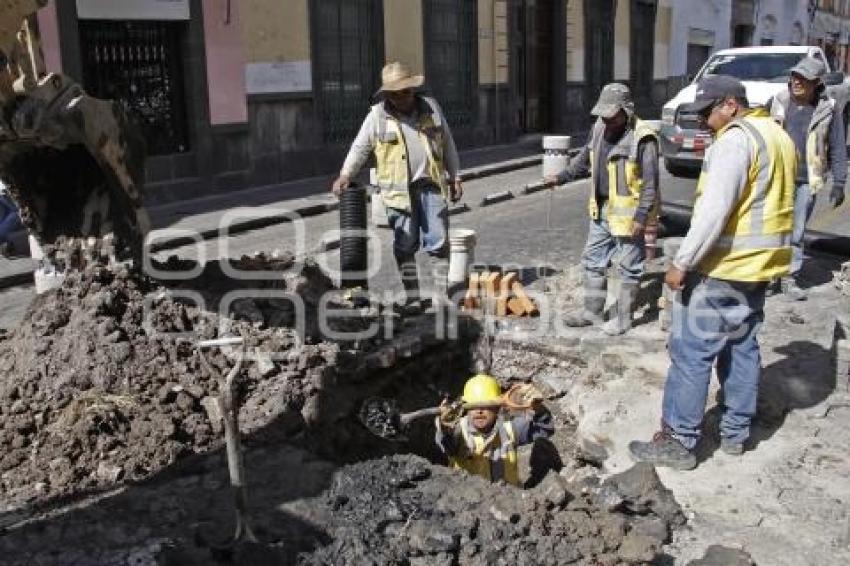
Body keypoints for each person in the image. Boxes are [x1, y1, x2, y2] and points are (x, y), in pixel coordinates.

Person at [629, 75, 797, 470]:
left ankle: (680, 440)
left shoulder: (735, 142)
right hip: (760, 267)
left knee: (691, 354)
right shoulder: (776, 135)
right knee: (742, 346)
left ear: (730, 104)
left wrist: (681, 262)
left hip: (724, 267)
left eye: (708, 112)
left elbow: (713, 212)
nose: (704, 121)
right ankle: (736, 432)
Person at [332, 62, 463, 313]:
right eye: (396, 93)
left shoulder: (431, 109)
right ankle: (412, 296)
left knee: (438, 241)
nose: (403, 97)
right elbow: (360, 147)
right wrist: (345, 174)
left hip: (431, 185)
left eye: (406, 91)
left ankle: (441, 296)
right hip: (398, 193)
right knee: (405, 245)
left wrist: (455, 176)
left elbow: (447, 143)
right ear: (388, 94)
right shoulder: (377, 117)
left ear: (413, 89)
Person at [545, 83, 660, 335]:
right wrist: (561, 176)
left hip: (630, 216)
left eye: (611, 115)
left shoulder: (643, 138)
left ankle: (623, 318)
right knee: (592, 261)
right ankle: (591, 312)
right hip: (601, 209)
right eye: (603, 115)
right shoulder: (598, 127)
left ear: (626, 111)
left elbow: (651, 184)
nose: (606, 120)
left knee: (629, 266)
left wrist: (642, 217)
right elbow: (584, 158)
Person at [768, 56, 846, 300]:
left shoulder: (828, 108)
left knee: (797, 230)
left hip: (807, 179)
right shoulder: (778, 102)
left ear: (816, 83)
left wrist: (839, 182)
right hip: (777, 176)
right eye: (794, 77)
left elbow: (837, 146)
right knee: (771, 225)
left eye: (803, 79)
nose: (796, 82)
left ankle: (789, 277)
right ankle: (769, 274)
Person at [435, 374, 554, 486]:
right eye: (474, 406)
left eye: (486, 406)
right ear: (466, 409)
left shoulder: (510, 428)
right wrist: (444, 426)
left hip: (510, 501)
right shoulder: (458, 430)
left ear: (497, 408)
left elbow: (544, 429)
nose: (479, 411)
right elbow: (445, 443)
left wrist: (538, 407)